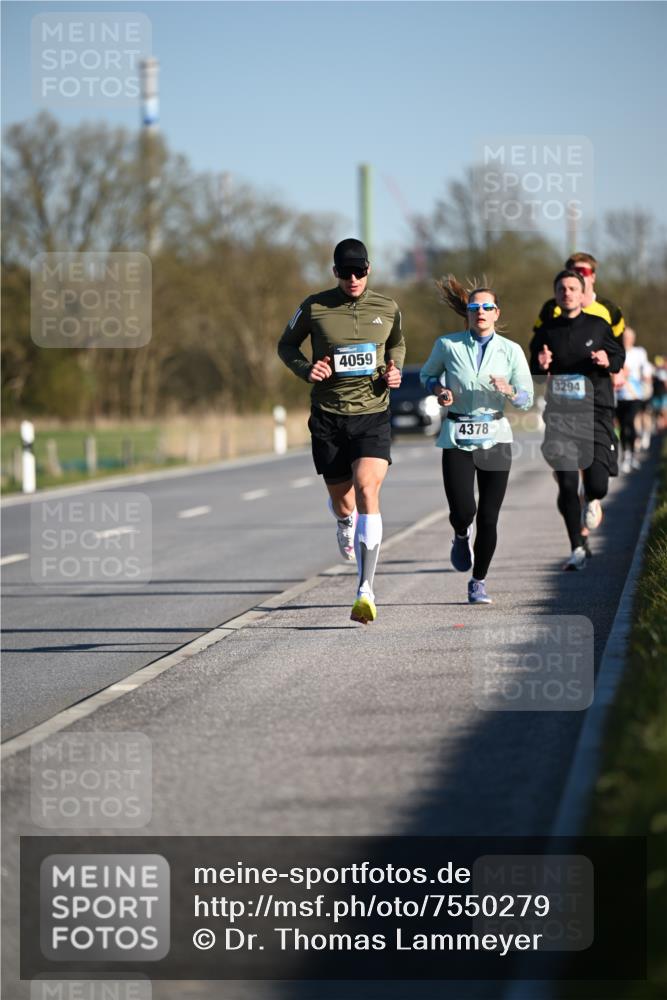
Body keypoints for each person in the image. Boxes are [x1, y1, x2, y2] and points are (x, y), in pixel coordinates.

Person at [277, 238, 405, 624]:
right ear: (335, 272)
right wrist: (307, 369)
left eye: (360, 271)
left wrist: (393, 370)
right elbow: (286, 347)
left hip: (372, 414)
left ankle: (365, 589)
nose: (353, 278)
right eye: (346, 272)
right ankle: (344, 521)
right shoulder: (314, 307)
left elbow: (396, 345)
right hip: (329, 417)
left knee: (368, 487)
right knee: (344, 501)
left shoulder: (388, 307)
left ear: (369, 269)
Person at [420, 276, 533, 604]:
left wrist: (510, 390)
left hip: (495, 437)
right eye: (474, 307)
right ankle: (459, 534)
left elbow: (526, 397)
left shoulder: (510, 351)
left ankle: (479, 580)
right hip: (457, 434)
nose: (480, 312)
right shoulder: (448, 345)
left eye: (486, 307)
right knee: (463, 510)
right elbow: (427, 375)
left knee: (489, 516)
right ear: (467, 314)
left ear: (496, 313)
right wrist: (439, 390)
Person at [529, 270, 625, 571]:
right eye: (561, 288)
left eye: (572, 288)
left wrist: (608, 362)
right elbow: (533, 365)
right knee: (567, 484)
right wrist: (540, 364)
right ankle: (577, 548)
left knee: (597, 486)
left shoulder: (598, 326)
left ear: (583, 294)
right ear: (555, 294)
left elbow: (619, 357)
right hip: (560, 416)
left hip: (595, 411)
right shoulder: (547, 331)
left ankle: (591, 498)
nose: (567, 293)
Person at [532, 251, 625, 339]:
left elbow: (618, 349)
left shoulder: (611, 310)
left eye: (583, 272)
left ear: (593, 277)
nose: (578, 276)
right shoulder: (551, 307)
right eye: (574, 273)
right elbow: (538, 341)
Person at [615, 327, 653, 472]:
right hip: (619, 394)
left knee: (630, 422)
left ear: (633, 338)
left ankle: (631, 454)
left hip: (635, 395)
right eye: (624, 337)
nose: (627, 339)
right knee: (623, 426)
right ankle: (626, 454)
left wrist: (647, 378)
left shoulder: (639, 353)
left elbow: (646, 369)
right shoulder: (616, 352)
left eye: (629, 337)